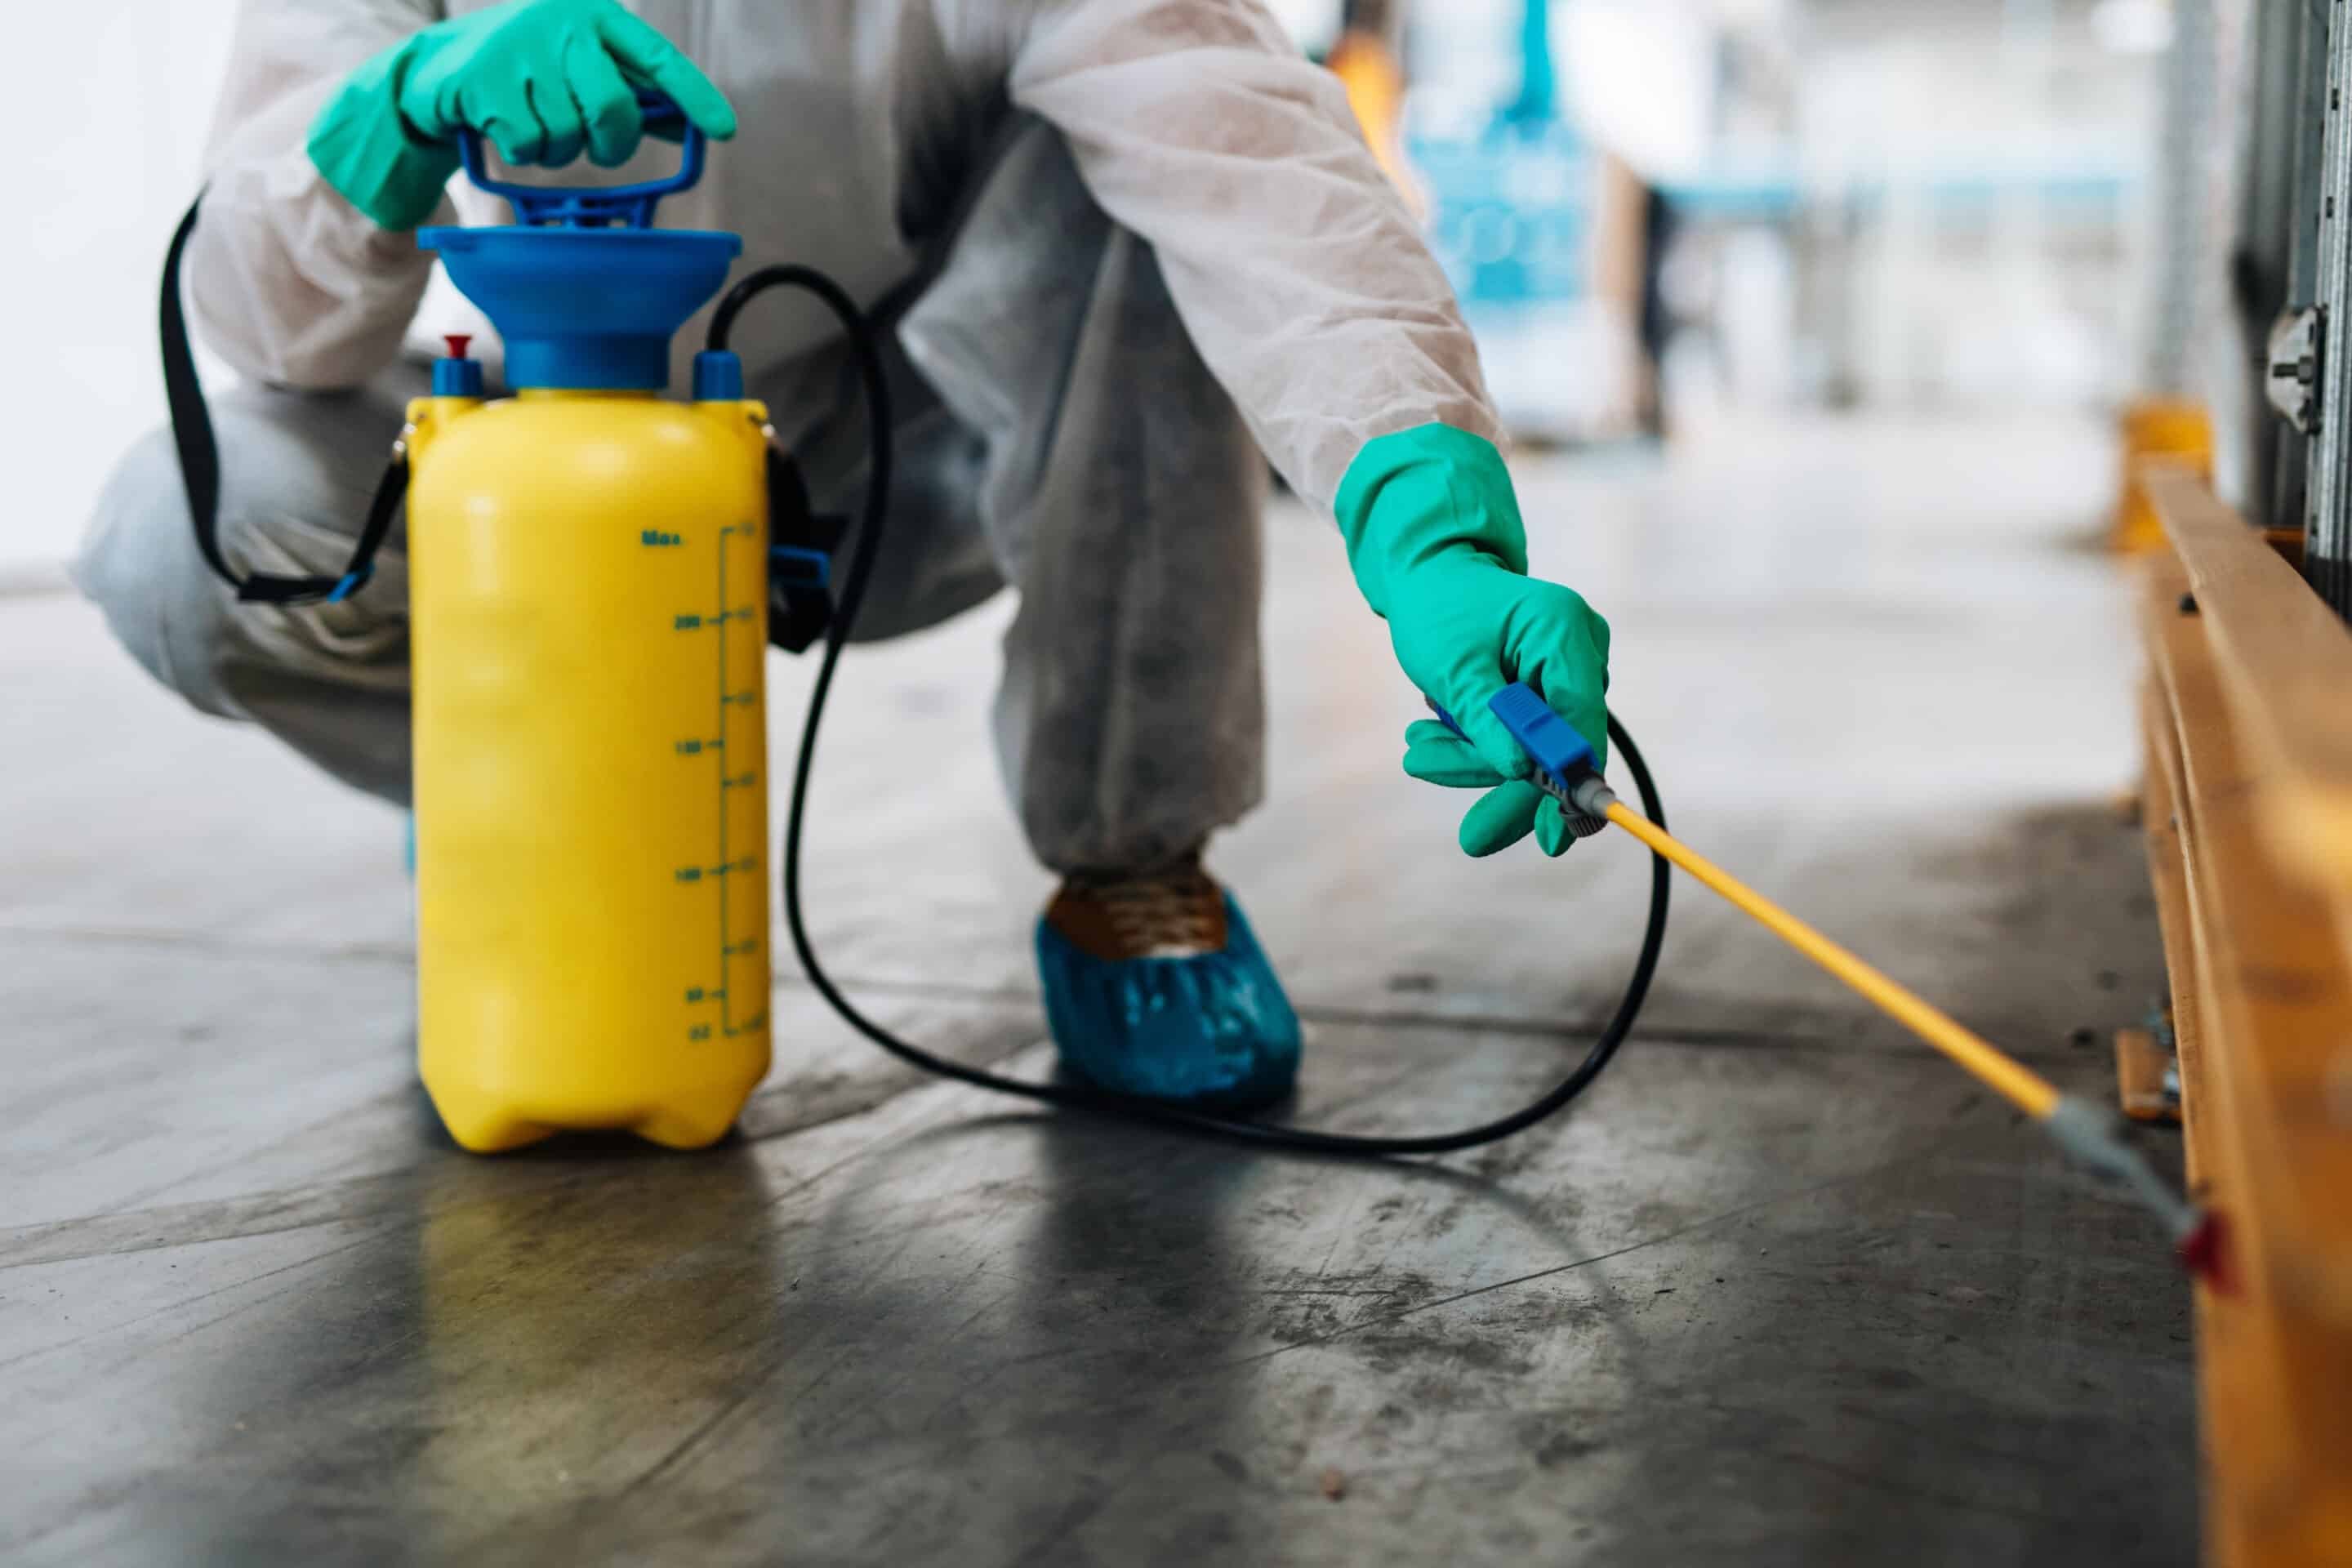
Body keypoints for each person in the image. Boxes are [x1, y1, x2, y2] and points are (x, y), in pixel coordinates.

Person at [78, 0, 1612, 1107]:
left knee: (1137, 192)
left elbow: (1255, 174)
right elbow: (265, 322)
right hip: (528, 473)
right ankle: (520, 797)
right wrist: (400, 108)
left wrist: (1434, 531)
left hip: (876, 458)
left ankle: (1133, 862)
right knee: (183, 538)